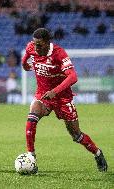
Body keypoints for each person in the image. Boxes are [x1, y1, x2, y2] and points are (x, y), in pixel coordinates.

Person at [21, 28, 107, 172]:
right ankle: (31, 157)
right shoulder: (31, 47)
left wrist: (54, 92)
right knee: (32, 117)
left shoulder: (59, 54)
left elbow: (73, 77)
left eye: (40, 45)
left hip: (62, 98)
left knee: (76, 135)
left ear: (48, 42)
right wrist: (26, 65)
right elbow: (25, 61)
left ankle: (98, 153)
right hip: (43, 96)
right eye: (35, 44)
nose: (36, 47)